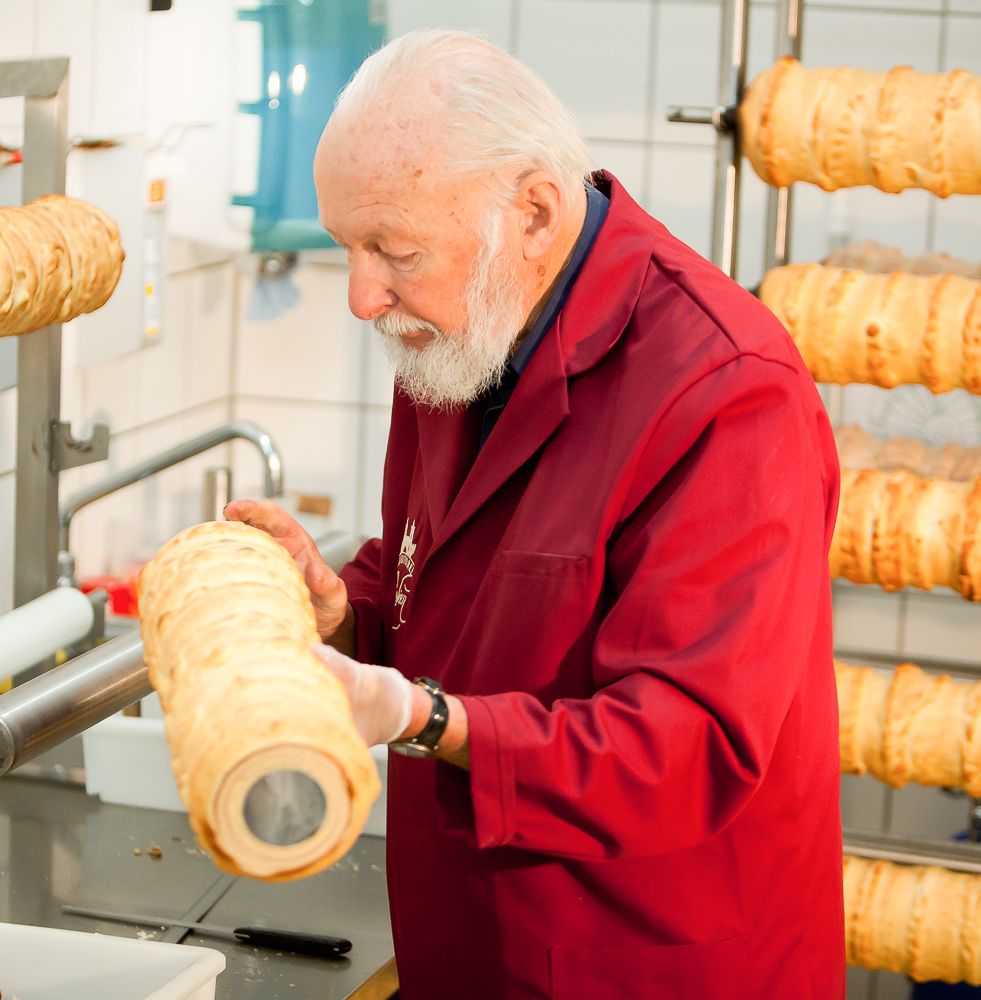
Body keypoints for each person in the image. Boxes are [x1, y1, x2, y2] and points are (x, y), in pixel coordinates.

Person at [226, 29, 844, 1000]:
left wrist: (424, 717)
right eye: (349, 246)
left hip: (644, 959)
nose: (361, 295)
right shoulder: (454, 337)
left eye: (393, 250)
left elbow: (687, 749)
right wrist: (341, 613)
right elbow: (441, 583)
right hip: (470, 937)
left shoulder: (724, 391)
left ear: (535, 211)